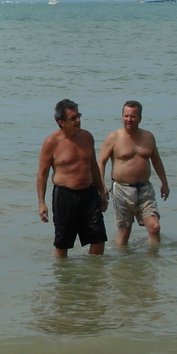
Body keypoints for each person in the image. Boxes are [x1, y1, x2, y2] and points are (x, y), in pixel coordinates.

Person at [37, 98, 108, 258]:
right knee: (63, 242)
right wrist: (42, 203)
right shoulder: (51, 142)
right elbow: (42, 173)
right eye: (73, 118)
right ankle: (64, 279)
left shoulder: (87, 137)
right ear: (60, 121)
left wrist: (102, 192)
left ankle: (93, 277)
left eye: (78, 116)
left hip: (89, 195)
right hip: (65, 196)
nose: (78, 120)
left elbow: (94, 167)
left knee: (98, 238)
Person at [99, 100, 170, 245]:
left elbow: (156, 160)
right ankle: (124, 265)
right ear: (122, 116)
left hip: (145, 189)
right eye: (126, 116)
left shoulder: (148, 137)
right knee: (124, 233)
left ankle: (152, 263)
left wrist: (164, 183)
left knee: (154, 227)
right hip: (122, 189)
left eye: (133, 116)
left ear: (140, 118)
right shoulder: (114, 137)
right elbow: (101, 162)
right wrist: (102, 187)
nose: (129, 120)